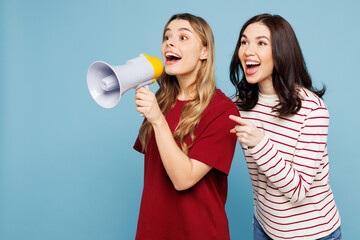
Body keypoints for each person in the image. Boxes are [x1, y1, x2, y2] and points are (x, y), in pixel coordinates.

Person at [229, 14, 341, 240]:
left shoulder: (313, 110)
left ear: (282, 51)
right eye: (244, 42)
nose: (248, 50)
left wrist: (260, 142)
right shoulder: (240, 106)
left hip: (313, 233)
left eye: (261, 43)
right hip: (264, 226)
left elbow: (298, 191)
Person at [133, 13, 239, 239]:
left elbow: (183, 180)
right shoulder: (160, 101)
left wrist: (157, 120)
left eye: (183, 37)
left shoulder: (223, 111)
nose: (170, 42)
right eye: (167, 37)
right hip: (153, 231)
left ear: (204, 52)